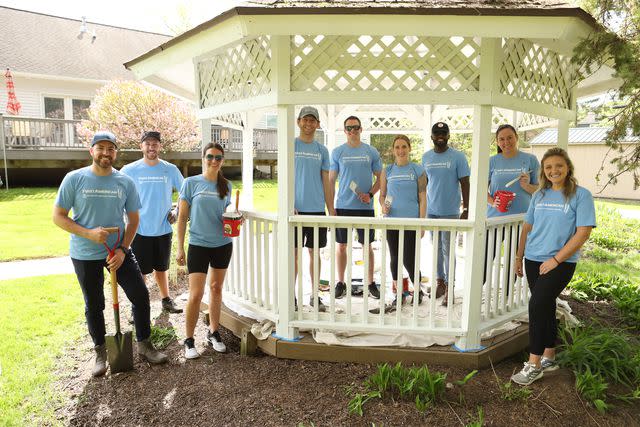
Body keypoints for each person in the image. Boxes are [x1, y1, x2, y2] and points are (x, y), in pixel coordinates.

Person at [52, 131, 168, 377]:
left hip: (118, 252)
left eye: (111, 149)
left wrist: (123, 249)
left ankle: (145, 345)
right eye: (101, 148)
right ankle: (100, 351)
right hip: (85, 253)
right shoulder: (74, 179)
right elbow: (58, 217)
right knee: (94, 304)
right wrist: (89, 234)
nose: (106, 153)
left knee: (140, 295)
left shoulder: (124, 181)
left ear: (116, 152)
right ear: (91, 151)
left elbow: (134, 220)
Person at [511, 147, 595, 386]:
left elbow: (583, 233)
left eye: (558, 165)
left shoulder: (581, 195)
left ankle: (533, 364)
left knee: (536, 306)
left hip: (560, 262)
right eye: (548, 167)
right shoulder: (539, 195)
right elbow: (527, 227)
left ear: (567, 167)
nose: (553, 170)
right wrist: (519, 257)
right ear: (543, 171)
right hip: (533, 259)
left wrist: (556, 260)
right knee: (545, 305)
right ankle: (549, 356)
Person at [176, 143, 235, 359]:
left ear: (222, 161)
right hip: (198, 244)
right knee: (196, 294)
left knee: (217, 288)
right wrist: (180, 248)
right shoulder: (191, 183)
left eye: (218, 158)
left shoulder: (226, 186)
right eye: (210, 156)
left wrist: (236, 218)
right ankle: (189, 340)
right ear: (203, 158)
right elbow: (182, 217)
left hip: (222, 244)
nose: (213, 161)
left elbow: (228, 214)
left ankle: (214, 332)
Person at [121, 131, 184, 314]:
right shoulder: (129, 170)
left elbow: (185, 192)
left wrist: (177, 210)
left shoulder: (170, 169)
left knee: (162, 268)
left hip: (163, 228)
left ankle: (166, 300)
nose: (151, 147)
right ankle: (138, 306)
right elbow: (118, 191)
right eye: (147, 143)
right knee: (139, 272)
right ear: (141, 146)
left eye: (155, 144)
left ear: (159, 146)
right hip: (138, 229)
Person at [329, 115, 382, 299]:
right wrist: (331, 207)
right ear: (344, 131)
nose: (353, 130)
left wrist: (371, 194)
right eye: (349, 128)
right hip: (343, 206)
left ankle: (370, 283)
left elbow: (380, 178)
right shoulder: (337, 152)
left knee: (367, 245)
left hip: (365, 208)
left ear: (361, 129)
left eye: (356, 127)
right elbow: (330, 181)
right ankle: (341, 283)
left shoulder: (371, 151)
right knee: (341, 246)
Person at [484, 124, 540, 285]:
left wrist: (527, 186)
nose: (506, 142)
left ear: (516, 138)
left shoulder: (530, 160)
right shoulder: (492, 161)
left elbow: (540, 190)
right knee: (485, 258)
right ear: (497, 142)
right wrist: (492, 201)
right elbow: (480, 187)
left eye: (509, 137)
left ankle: (507, 296)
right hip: (495, 219)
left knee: (513, 261)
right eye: (501, 139)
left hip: (521, 220)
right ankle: (478, 293)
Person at [422, 122, 470, 305]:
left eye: (444, 133)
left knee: (448, 250)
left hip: (450, 212)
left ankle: (450, 287)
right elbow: (423, 184)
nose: (440, 136)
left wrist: (466, 209)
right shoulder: (426, 157)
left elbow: (465, 182)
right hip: (431, 212)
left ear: (448, 136)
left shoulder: (458, 157)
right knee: (436, 250)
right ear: (432, 137)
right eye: (437, 133)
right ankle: (439, 282)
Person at [293, 106, 335, 312]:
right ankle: (290, 296)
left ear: (318, 124)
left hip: (317, 210)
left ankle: (314, 295)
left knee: (314, 253)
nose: (309, 124)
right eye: (305, 120)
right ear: (298, 121)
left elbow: (326, 182)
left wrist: (331, 210)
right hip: (295, 211)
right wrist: (288, 205)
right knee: (293, 254)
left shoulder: (322, 150)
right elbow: (284, 178)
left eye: (313, 120)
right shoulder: (291, 145)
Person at [379, 135, 427, 304]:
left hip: (412, 222)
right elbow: (383, 195)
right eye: (397, 147)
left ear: (409, 148)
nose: (400, 150)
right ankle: (399, 293)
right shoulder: (388, 170)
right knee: (395, 258)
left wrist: (422, 223)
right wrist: (383, 206)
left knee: (409, 258)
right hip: (392, 221)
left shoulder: (417, 170)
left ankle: (418, 290)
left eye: (404, 146)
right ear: (393, 150)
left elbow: (423, 198)